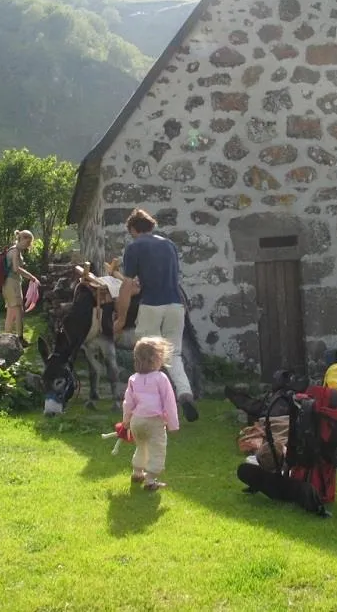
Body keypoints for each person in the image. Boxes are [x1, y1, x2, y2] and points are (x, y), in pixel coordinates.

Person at [114, 208, 198, 422]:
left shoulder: (134, 247)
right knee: (174, 354)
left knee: (146, 355)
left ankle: (149, 404)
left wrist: (121, 318)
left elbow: (127, 285)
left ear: (133, 229)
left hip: (151, 305)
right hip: (176, 304)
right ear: (151, 226)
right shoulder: (169, 245)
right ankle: (184, 393)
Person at [121, 336, 180, 492]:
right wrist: (173, 424)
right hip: (154, 421)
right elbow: (169, 402)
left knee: (141, 446)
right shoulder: (161, 378)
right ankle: (150, 479)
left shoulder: (133, 379)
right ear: (157, 359)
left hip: (137, 420)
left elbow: (128, 402)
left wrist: (126, 420)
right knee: (157, 448)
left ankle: (137, 472)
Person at [2, 230, 40, 340]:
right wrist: (31, 277)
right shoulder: (15, 251)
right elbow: (16, 268)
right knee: (19, 312)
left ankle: (6, 338)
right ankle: (20, 339)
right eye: (27, 243)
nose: (28, 246)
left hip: (10, 284)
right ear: (22, 239)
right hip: (12, 283)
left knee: (10, 312)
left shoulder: (14, 250)